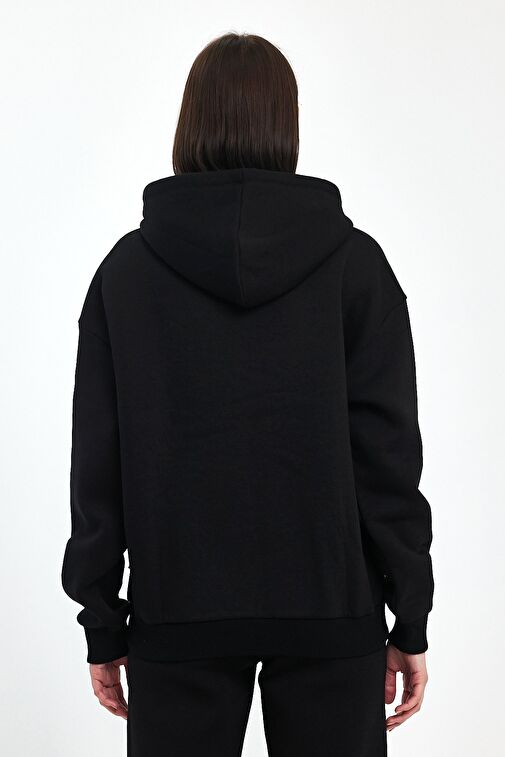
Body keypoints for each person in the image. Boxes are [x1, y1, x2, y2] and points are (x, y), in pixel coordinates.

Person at [61, 32, 434, 756]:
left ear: (190, 122)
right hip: (333, 611)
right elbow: (388, 457)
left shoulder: (127, 273)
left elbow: (96, 466)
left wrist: (103, 621)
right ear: (284, 125)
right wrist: (409, 614)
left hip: (176, 615)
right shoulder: (356, 266)